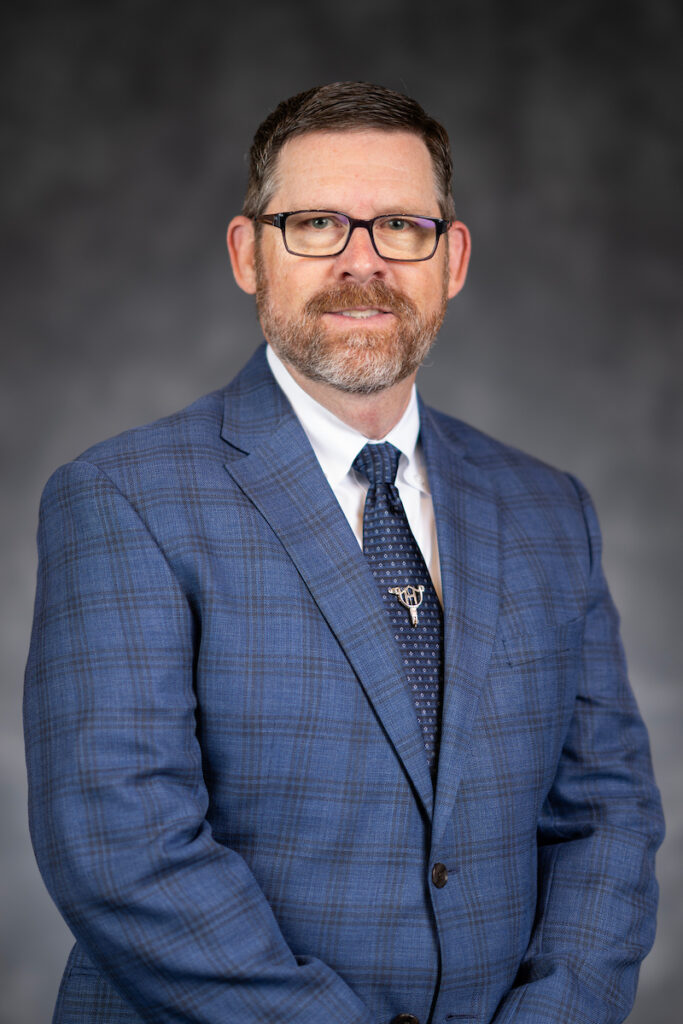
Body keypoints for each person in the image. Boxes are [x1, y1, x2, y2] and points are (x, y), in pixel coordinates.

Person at [24, 82, 664, 1024]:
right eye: (317, 223)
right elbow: (122, 852)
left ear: (452, 259)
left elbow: (606, 815)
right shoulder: (124, 499)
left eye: (401, 225)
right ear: (250, 254)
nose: (361, 263)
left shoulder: (547, 509)